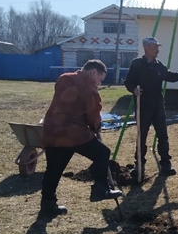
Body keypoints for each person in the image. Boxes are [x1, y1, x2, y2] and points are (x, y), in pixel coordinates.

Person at [40, 59, 122, 217]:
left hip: (52, 131)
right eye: (100, 79)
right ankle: (101, 189)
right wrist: (96, 128)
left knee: (53, 170)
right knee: (102, 153)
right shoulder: (89, 89)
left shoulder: (64, 78)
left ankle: (47, 205)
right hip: (73, 134)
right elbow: (93, 116)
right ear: (93, 72)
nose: (99, 83)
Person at [124, 37, 178, 177]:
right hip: (143, 106)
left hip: (158, 106)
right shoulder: (137, 64)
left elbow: (171, 76)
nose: (158, 49)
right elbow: (128, 82)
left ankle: (165, 164)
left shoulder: (158, 65)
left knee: (163, 136)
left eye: (158, 46)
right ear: (147, 47)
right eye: (155, 46)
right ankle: (139, 165)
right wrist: (133, 90)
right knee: (141, 136)